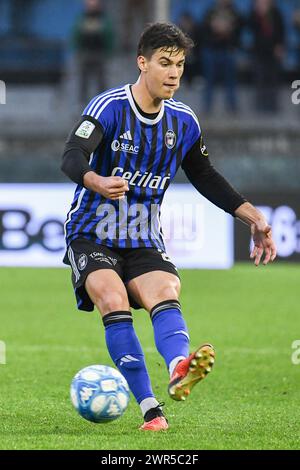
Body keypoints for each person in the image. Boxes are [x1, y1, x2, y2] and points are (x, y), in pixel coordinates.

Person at [61, 22, 277, 432]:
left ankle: (180, 367)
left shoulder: (184, 122)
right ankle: (150, 409)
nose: (174, 73)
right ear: (141, 63)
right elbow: (72, 156)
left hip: (143, 236)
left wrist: (254, 217)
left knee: (166, 290)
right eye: (164, 63)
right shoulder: (108, 107)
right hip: (91, 232)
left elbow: (205, 175)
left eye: (179, 64)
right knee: (112, 296)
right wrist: (96, 180)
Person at [201, 0, 243, 113]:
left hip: (228, 50)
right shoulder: (210, 11)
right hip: (211, 50)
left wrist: (228, 29)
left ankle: (232, 108)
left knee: (230, 81)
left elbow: (240, 29)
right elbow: (203, 31)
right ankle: (207, 108)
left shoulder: (235, 12)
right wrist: (214, 28)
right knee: (209, 81)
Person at [72, 0, 114, 107]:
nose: (91, 5)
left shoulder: (103, 19)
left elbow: (109, 35)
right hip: (86, 53)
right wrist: (77, 50)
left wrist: (109, 51)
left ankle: (102, 103)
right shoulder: (82, 19)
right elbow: (76, 35)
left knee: (101, 80)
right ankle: (82, 104)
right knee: (83, 81)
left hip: (99, 53)